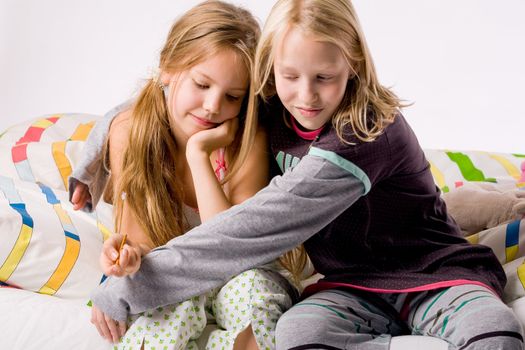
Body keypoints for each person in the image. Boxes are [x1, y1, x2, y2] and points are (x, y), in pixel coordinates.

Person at [85, 0, 524, 349]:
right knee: (297, 333)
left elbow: (254, 229)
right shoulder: (274, 106)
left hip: (433, 274)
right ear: (269, 71)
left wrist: (127, 290)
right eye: (289, 75)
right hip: (351, 285)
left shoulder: (363, 132)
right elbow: (143, 105)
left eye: (324, 77)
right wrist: (89, 164)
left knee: (494, 330)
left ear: (352, 65)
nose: (306, 95)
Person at [69, 1, 304, 349]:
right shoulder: (130, 131)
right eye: (202, 84)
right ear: (167, 68)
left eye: (232, 96)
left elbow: (232, 246)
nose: (213, 105)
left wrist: (199, 155)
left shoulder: (247, 139)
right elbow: (142, 242)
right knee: (161, 311)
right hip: (168, 271)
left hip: (239, 269)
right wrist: (129, 255)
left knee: (259, 299)